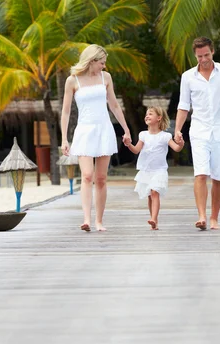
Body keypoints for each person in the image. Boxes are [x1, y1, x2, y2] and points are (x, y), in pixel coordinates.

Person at [61, 44, 131, 232]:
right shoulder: (72, 80)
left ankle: (99, 221)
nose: (104, 66)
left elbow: (114, 106)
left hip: (103, 130)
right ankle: (86, 219)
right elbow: (66, 112)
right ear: (91, 61)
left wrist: (126, 129)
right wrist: (64, 139)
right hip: (84, 131)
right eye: (101, 63)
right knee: (87, 175)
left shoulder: (105, 78)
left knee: (101, 178)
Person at [174, 37, 220, 230]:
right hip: (199, 131)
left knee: (219, 177)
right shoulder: (188, 77)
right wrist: (178, 130)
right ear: (195, 56)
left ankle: (214, 217)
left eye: (206, 55)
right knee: (201, 174)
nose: (203, 59)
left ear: (213, 51)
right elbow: (183, 106)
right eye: (199, 56)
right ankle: (202, 216)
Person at [124, 107, 184, 230]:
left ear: (159, 118)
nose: (147, 116)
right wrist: (129, 144)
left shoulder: (165, 136)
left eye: (150, 114)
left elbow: (176, 148)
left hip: (159, 170)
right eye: (146, 114)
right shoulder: (143, 135)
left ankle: (154, 218)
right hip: (146, 171)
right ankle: (154, 221)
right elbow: (136, 150)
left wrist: (181, 143)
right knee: (150, 195)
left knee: (154, 192)